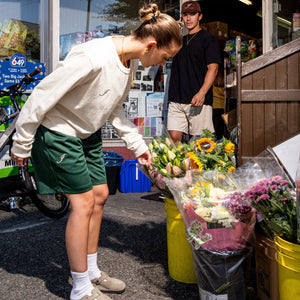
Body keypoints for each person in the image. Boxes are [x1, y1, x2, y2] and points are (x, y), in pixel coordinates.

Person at [10, 3, 182, 300]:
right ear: (151, 45)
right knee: (84, 203)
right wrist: (22, 141)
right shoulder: (92, 56)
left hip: (87, 133)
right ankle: (80, 289)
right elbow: (42, 94)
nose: (160, 64)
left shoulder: (128, 64)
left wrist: (139, 148)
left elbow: (114, 108)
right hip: (60, 132)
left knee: (100, 194)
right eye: (164, 58)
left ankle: (90, 272)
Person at [167, 0, 221, 145]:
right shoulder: (178, 41)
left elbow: (213, 69)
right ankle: (180, 168)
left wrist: (202, 93)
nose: (188, 18)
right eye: (185, 15)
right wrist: (173, 33)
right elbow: (165, 54)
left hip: (197, 101)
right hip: (176, 99)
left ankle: (199, 169)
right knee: (173, 142)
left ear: (200, 16)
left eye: (192, 14)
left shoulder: (208, 39)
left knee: (201, 145)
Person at [212, 50, 230, 140]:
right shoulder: (228, 74)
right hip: (225, 108)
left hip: (214, 107)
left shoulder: (213, 73)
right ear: (225, 60)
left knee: (214, 134)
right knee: (224, 134)